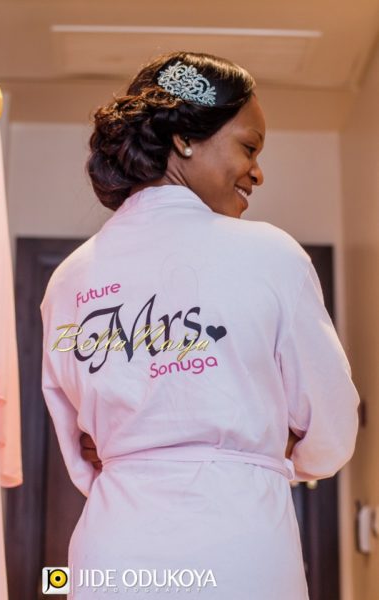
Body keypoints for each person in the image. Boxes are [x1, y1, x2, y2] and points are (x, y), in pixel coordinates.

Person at [40, 51, 359, 599]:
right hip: (239, 543)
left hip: (111, 553)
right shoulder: (271, 256)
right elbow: (331, 433)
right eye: (249, 148)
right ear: (185, 138)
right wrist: (270, 442)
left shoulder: (69, 279)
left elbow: (81, 451)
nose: (257, 172)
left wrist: (135, 449)